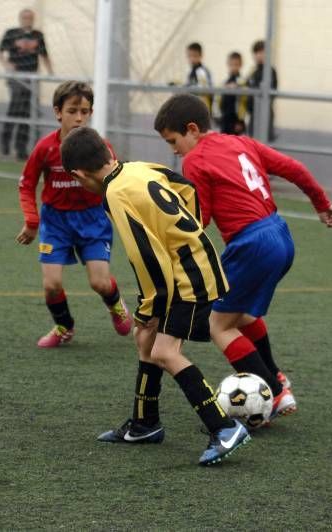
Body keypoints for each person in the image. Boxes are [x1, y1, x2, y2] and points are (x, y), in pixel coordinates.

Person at [60, 126, 251, 466]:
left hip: (187, 278)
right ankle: (144, 424)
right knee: (145, 339)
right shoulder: (136, 167)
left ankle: (224, 427)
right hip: (191, 264)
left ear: (79, 174)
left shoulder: (114, 193)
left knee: (164, 351)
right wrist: (188, 230)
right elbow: (185, 187)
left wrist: (150, 306)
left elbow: (148, 257)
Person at [154, 94, 332, 421]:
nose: (174, 150)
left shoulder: (194, 160)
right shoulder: (243, 142)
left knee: (217, 324)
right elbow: (295, 169)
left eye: (173, 141)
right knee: (240, 316)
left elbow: (203, 218)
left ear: (193, 129)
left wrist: (169, 231)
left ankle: (273, 391)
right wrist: (322, 204)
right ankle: (276, 377)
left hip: (251, 243)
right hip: (281, 235)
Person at [15, 81, 132, 347]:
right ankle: (64, 327)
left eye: (85, 111)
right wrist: (32, 221)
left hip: (92, 220)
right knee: (51, 284)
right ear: (58, 112)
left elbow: (117, 183)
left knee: (100, 283)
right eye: (72, 111)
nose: (79, 117)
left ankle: (115, 304)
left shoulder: (99, 147)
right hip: (56, 222)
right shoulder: (45, 148)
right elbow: (26, 184)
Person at [0, 8, 53, 160]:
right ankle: (5, 140)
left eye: (30, 17)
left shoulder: (38, 35)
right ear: (20, 18)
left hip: (31, 78)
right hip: (16, 78)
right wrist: (7, 64)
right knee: (15, 108)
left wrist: (50, 73)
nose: (27, 20)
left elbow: (44, 55)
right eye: (25, 17)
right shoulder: (11, 33)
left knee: (27, 111)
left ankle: (21, 147)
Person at [246, 40, 278, 141]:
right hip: (252, 114)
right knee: (252, 144)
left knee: (264, 145)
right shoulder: (253, 71)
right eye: (256, 52)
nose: (259, 55)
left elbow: (270, 93)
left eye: (262, 52)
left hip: (265, 114)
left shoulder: (270, 71)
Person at [219, 51, 247, 135]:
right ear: (227, 64)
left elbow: (243, 103)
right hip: (225, 118)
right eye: (231, 64)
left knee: (235, 145)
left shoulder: (242, 81)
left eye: (236, 64)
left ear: (241, 65)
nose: (233, 67)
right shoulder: (226, 81)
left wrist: (240, 121)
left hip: (236, 121)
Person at [184, 42, 213, 112]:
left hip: (202, 107)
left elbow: (204, 89)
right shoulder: (190, 71)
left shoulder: (202, 71)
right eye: (190, 56)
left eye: (195, 56)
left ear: (201, 56)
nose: (192, 59)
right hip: (192, 105)